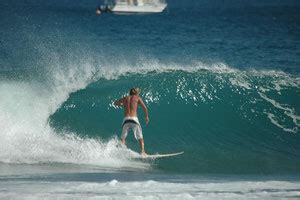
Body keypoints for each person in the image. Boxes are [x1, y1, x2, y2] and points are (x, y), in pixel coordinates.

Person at [114, 88, 149, 156]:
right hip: (134, 119)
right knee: (140, 137)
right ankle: (142, 152)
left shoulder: (125, 98)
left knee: (123, 137)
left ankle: (122, 152)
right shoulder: (137, 98)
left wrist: (122, 105)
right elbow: (145, 108)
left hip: (126, 119)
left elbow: (115, 103)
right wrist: (146, 117)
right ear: (137, 93)